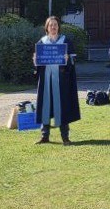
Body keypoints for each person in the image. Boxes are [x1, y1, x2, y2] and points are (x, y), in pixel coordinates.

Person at [33, 16, 81, 145]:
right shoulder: (42, 42)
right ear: (47, 27)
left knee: (62, 107)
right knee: (45, 107)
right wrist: (35, 60)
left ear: (58, 26)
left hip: (61, 80)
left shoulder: (66, 41)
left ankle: (65, 137)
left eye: (55, 25)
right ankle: (45, 136)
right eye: (51, 25)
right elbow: (39, 63)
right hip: (46, 80)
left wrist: (68, 59)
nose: (53, 27)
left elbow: (72, 60)